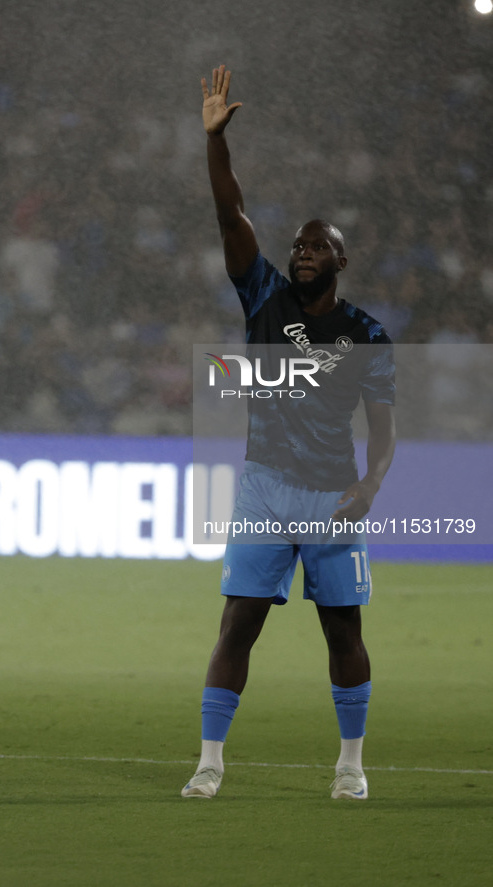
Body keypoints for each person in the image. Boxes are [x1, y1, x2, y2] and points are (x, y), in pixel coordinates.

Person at [181, 66, 396, 801]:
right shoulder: (264, 296)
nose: (300, 251)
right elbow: (227, 212)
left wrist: (369, 484)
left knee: (343, 632)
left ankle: (350, 766)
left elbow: (384, 427)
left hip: (331, 494)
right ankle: (209, 763)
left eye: (315, 245)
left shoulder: (366, 333)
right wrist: (214, 142)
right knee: (237, 623)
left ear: (337, 260)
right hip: (265, 487)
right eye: (297, 244)